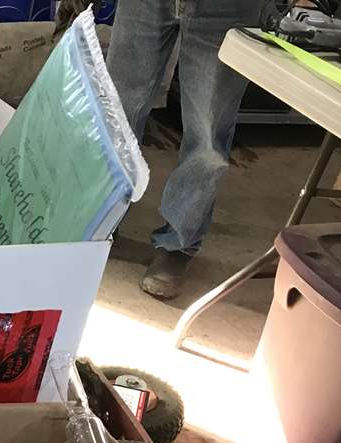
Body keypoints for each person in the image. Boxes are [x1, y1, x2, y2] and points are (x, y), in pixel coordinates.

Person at [106, 0, 259, 299]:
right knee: (115, 113)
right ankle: (102, 219)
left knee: (208, 134)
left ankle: (178, 243)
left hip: (227, 9)